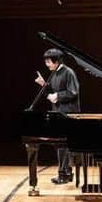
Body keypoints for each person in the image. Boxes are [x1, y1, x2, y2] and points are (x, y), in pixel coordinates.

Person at [34, 47, 80, 184]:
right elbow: (52, 92)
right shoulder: (54, 73)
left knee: (64, 145)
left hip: (68, 114)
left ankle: (65, 173)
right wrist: (44, 85)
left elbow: (73, 92)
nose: (46, 64)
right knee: (60, 145)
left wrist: (57, 96)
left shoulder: (68, 73)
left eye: (49, 61)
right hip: (58, 112)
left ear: (57, 61)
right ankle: (64, 172)